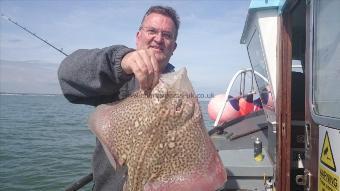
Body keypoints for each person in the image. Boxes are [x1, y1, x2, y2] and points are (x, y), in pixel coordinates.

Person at [58, 5, 180, 191]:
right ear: (138, 37)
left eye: (167, 35)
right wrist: (120, 63)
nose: (158, 39)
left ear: (174, 47)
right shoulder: (116, 78)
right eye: (152, 31)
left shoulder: (180, 90)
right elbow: (67, 74)